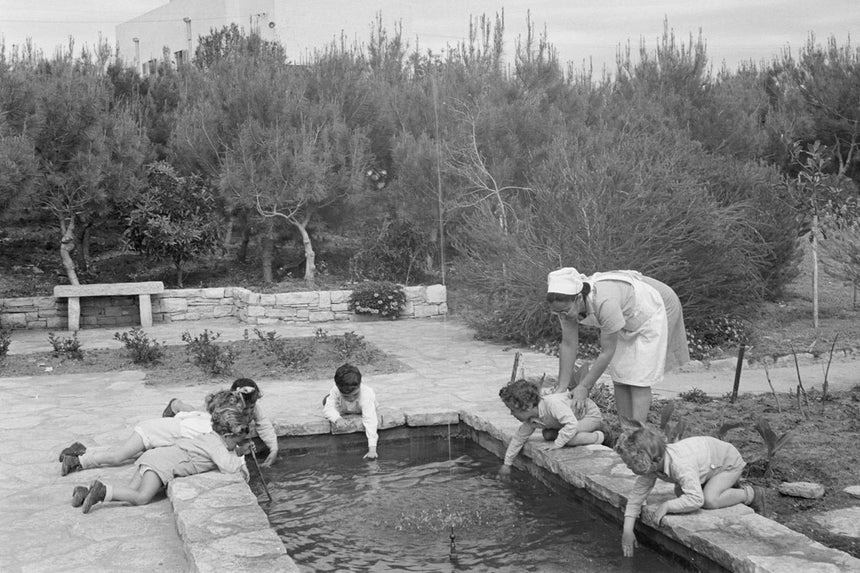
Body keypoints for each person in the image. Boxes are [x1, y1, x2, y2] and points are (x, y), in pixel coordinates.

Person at [546, 267, 689, 423]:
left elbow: (607, 351)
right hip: (626, 315)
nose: (561, 316)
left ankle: (637, 432)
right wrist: (561, 389)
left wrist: (584, 387)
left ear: (579, 298)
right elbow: (568, 344)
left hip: (654, 308)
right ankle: (625, 429)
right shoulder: (564, 308)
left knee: (639, 379)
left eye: (564, 311)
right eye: (556, 313)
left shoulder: (605, 302)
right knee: (620, 376)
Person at [71, 397, 253, 514]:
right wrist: (240, 460)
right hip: (161, 464)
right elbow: (228, 466)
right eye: (237, 441)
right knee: (141, 498)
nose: (236, 445)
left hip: (156, 457)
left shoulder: (209, 437)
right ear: (227, 436)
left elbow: (220, 453)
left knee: (130, 492)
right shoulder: (216, 446)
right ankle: (101, 491)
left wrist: (238, 450)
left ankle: (87, 493)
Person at [614, 421, 766, 557]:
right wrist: (627, 530)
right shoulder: (654, 462)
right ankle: (708, 483)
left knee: (709, 499)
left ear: (654, 462)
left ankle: (752, 494)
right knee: (680, 493)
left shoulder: (680, 465)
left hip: (727, 463)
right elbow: (637, 496)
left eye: (631, 466)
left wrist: (668, 505)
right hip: (708, 462)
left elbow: (696, 500)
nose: (629, 468)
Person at [60, 390, 242, 476]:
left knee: (125, 451)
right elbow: (216, 449)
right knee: (118, 457)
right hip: (148, 433)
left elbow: (182, 416)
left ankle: (81, 450)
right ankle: (78, 461)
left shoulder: (203, 416)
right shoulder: (208, 431)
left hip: (151, 429)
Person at [498, 379, 605, 479]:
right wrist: (507, 464)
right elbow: (519, 438)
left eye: (513, 410)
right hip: (572, 419)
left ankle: (599, 436)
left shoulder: (552, 404)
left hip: (589, 416)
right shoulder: (531, 420)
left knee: (569, 439)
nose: (511, 413)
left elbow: (572, 424)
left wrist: (557, 444)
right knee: (547, 435)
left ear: (528, 406)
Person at [162, 378, 279, 467]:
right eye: (245, 408)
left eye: (251, 407)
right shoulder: (221, 411)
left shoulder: (254, 409)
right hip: (203, 415)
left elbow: (264, 425)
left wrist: (274, 448)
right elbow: (221, 435)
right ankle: (175, 405)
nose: (249, 411)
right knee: (192, 412)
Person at [322, 363, 379, 460]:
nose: (352, 398)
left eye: (355, 394)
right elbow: (328, 409)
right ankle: (332, 399)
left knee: (369, 411)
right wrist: (337, 419)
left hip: (362, 407)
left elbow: (370, 421)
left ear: (359, 385)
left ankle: (339, 400)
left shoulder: (366, 394)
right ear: (338, 388)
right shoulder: (336, 390)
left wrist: (372, 450)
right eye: (346, 396)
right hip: (343, 407)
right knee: (326, 402)